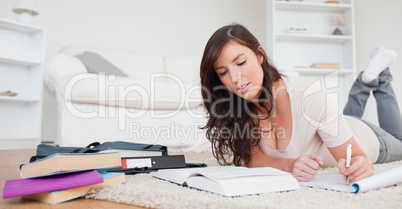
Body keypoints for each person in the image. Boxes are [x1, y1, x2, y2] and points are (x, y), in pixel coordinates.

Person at [200, 23, 402, 183]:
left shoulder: (308, 95)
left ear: (260, 55)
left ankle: (379, 78)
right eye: (223, 72)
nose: (235, 78)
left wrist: (361, 163)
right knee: (344, 116)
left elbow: (358, 156)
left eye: (241, 63)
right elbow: (254, 159)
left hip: (372, 139)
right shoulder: (237, 109)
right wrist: (289, 165)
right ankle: (366, 81)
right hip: (336, 123)